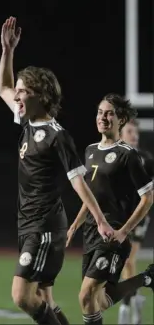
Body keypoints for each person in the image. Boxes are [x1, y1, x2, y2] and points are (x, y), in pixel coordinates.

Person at [0, 16, 114, 325]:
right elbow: (2, 88)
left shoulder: (56, 135)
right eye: (19, 92)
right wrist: (7, 51)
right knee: (45, 298)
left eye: (23, 91)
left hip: (45, 226)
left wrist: (100, 221)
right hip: (28, 223)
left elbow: (78, 181)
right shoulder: (26, 119)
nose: (17, 96)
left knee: (22, 295)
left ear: (40, 95)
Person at [66, 94, 154, 325]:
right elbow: (92, 196)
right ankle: (146, 278)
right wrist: (75, 225)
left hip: (113, 234)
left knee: (85, 294)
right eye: (99, 112)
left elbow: (147, 198)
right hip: (91, 233)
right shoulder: (90, 150)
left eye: (109, 113)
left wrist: (124, 231)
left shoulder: (128, 155)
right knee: (97, 301)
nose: (102, 117)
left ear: (121, 119)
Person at [118, 119, 154, 324]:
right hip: (118, 217)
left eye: (136, 132)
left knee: (129, 260)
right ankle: (136, 298)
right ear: (121, 134)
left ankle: (125, 307)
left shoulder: (146, 159)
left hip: (138, 217)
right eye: (129, 131)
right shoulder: (114, 156)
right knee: (121, 263)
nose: (134, 135)